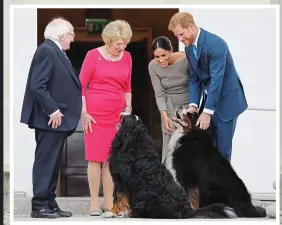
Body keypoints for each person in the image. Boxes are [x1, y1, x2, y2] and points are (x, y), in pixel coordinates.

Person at [20, 17, 81, 218]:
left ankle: (49, 201)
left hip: (58, 120)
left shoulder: (57, 52)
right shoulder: (47, 50)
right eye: (72, 34)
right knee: (46, 161)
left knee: (54, 161)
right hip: (50, 118)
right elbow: (38, 85)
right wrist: (53, 110)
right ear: (62, 35)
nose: (73, 39)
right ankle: (39, 205)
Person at [168, 12, 248, 161]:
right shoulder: (188, 48)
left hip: (227, 102)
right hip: (209, 100)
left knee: (222, 154)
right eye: (176, 35)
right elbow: (194, 78)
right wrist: (193, 105)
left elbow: (217, 80)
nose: (179, 39)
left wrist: (207, 112)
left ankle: (222, 184)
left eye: (181, 34)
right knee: (206, 151)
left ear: (190, 26)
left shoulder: (216, 44)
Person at [79, 20, 133, 217]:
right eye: (118, 43)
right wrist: (84, 113)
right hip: (94, 115)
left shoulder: (127, 57)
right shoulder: (93, 55)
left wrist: (128, 108)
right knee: (95, 158)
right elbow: (81, 86)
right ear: (108, 41)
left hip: (117, 115)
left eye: (125, 42)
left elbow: (127, 87)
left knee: (112, 159)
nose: (122, 47)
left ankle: (108, 203)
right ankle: (94, 203)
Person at [148, 36, 190, 163]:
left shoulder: (186, 59)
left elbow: (196, 83)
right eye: (157, 57)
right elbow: (159, 94)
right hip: (169, 107)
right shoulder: (153, 66)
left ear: (171, 50)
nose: (160, 60)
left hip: (188, 105)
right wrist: (165, 117)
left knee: (187, 144)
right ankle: (168, 179)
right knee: (170, 145)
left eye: (163, 55)